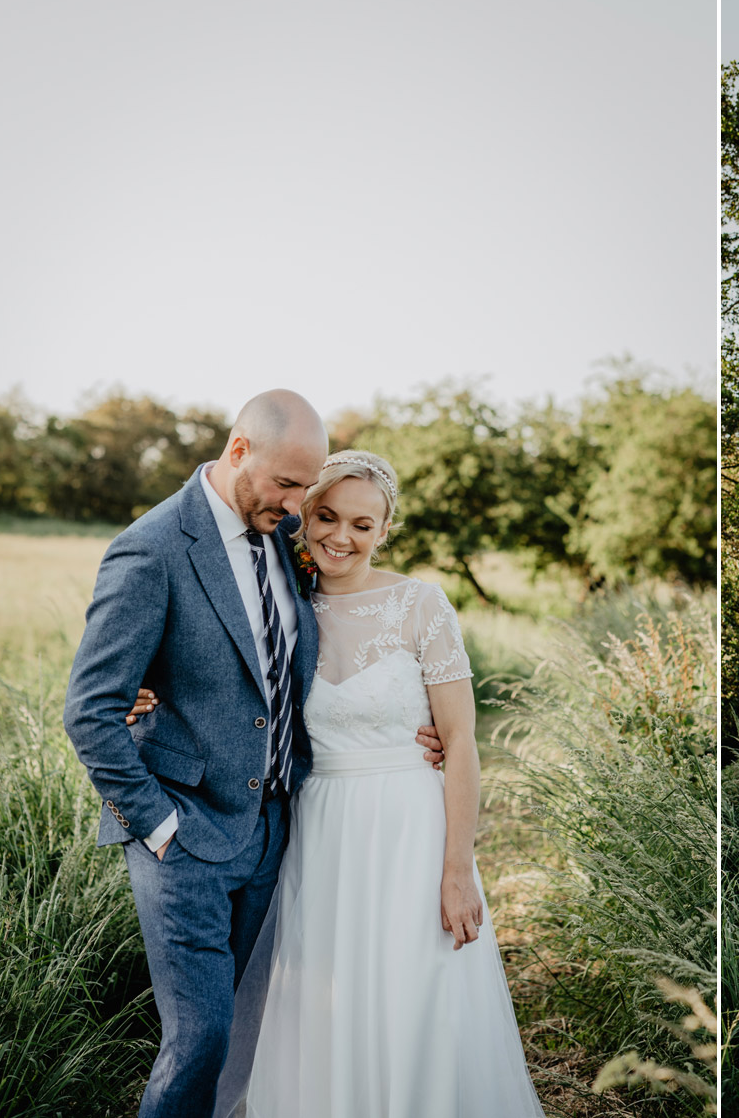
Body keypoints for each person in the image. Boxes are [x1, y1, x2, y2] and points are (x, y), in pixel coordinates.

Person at [133, 450, 546, 1116]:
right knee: (320, 998)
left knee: (414, 995)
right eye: (326, 516)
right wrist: (144, 692)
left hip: (410, 829)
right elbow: (204, 664)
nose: (341, 537)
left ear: (385, 530)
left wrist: (458, 868)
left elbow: (463, 741)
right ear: (303, 515)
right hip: (319, 831)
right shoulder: (278, 606)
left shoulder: (421, 605)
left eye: (362, 523)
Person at [65, 392, 442, 1117]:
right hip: (182, 833)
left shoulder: (278, 536)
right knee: (200, 1037)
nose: (300, 506)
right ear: (238, 450)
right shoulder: (153, 548)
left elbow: (311, 653)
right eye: (288, 485)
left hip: (272, 831)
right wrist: (157, 823)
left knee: (249, 1033)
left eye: (307, 489)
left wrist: (407, 726)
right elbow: (88, 708)